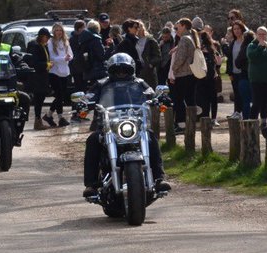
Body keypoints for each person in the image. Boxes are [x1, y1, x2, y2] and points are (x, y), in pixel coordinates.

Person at [82, 52, 170, 197]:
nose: (121, 73)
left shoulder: (140, 83)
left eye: (124, 70)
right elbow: (89, 97)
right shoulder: (102, 84)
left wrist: (160, 98)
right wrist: (83, 103)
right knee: (93, 140)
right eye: (117, 70)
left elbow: (152, 94)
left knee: (150, 137)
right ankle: (90, 184)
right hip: (108, 126)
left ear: (131, 70)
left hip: (133, 124)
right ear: (110, 70)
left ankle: (159, 179)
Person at [169, 17, 198, 129]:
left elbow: (180, 58)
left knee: (179, 100)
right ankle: (191, 123)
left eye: (178, 27)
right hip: (190, 74)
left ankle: (181, 124)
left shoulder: (185, 39)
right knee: (190, 100)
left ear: (184, 26)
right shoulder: (191, 37)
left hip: (183, 74)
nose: (176, 29)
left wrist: (174, 70)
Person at [24, 28, 54, 129]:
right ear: (42, 36)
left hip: (43, 77)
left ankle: (38, 120)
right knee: (38, 99)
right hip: (37, 78)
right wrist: (47, 64)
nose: (48, 39)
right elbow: (34, 63)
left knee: (41, 99)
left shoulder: (43, 46)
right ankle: (37, 121)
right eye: (47, 37)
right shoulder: (35, 46)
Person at [223, 19, 252, 119]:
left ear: (242, 29)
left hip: (243, 72)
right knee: (236, 93)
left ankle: (245, 115)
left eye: (238, 29)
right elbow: (230, 57)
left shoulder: (247, 42)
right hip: (234, 72)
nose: (236, 31)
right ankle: (237, 112)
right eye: (234, 29)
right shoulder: (233, 42)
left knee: (243, 94)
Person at [46, 22, 72, 127]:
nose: (59, 32)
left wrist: (69, 57)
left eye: (60, 30)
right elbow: (52, 58)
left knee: (61, 96)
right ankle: (61, 118)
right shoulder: (51, 42)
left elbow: (71, 53)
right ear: (53, 31)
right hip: (54, 72)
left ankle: (49, 115)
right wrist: (63, 58)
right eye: (57, 30)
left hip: (65, 71)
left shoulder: (65, 41)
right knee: (59, 95)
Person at [74, 18, 106, 89]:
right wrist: (110, 48)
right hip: (97, 70)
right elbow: (101, 55)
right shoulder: (96, 39)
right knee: (99, 91)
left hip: (87, 69)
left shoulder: (82, 38)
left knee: (91, 90)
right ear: (98, 28)